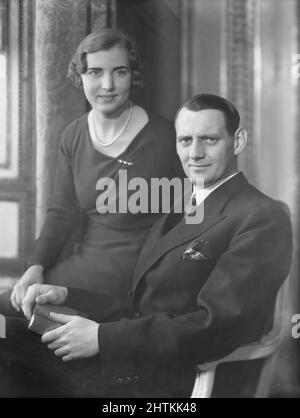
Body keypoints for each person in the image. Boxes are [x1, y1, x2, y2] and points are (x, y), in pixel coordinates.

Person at [0, 94, 292, 397]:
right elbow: (139, 307)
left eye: (209, 140)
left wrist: (102, 338)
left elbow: (217, 326)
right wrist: (65, 293)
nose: (195, 153)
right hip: (130, 359)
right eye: (185, 140)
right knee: (3, 326)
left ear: (238, 141)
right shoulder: (184, 205)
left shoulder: (260, 217)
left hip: (168, 379)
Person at [0, 28, 183, 316]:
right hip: (82, 269)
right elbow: (61, 214)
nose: (107, 85)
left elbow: (189, 219)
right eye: (95, 72)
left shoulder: (165, 137)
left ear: (132, 75)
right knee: (4, 313)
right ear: (80, 76)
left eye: (119, 72)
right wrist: (35, 267)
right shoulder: (73, 135)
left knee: (26, 327)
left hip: (137, 281)